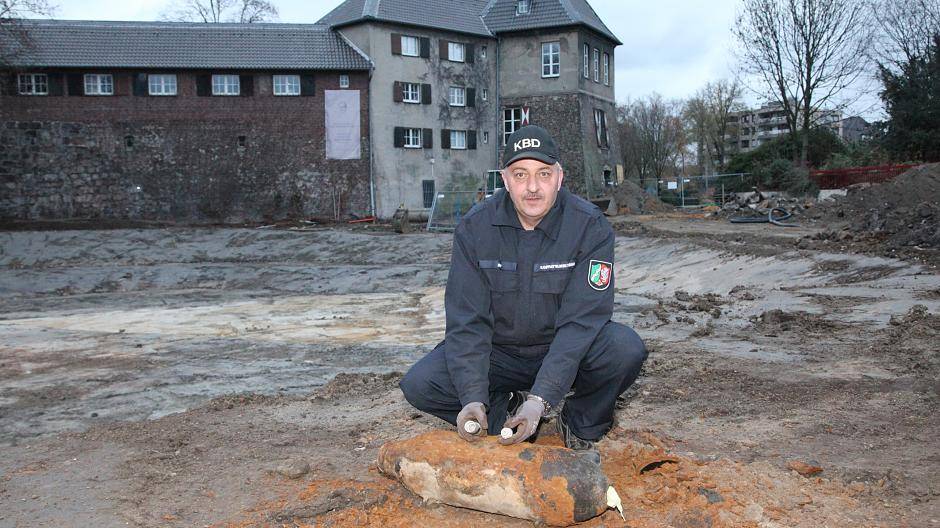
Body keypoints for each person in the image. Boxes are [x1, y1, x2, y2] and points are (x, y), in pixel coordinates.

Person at [399, 125, 647, 450]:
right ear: (504, 180)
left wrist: (542, 397)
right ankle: (507, 412)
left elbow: (581, 322)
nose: (532, 187)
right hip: (498, 353)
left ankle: (580, 422)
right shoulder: (475, 228)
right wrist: (473, 396)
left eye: (543, 174)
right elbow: (467, 322)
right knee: (420, 383)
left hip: (562, 347)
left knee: (623, 349)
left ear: (560, 177)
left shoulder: (589, 226)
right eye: (520, 175)